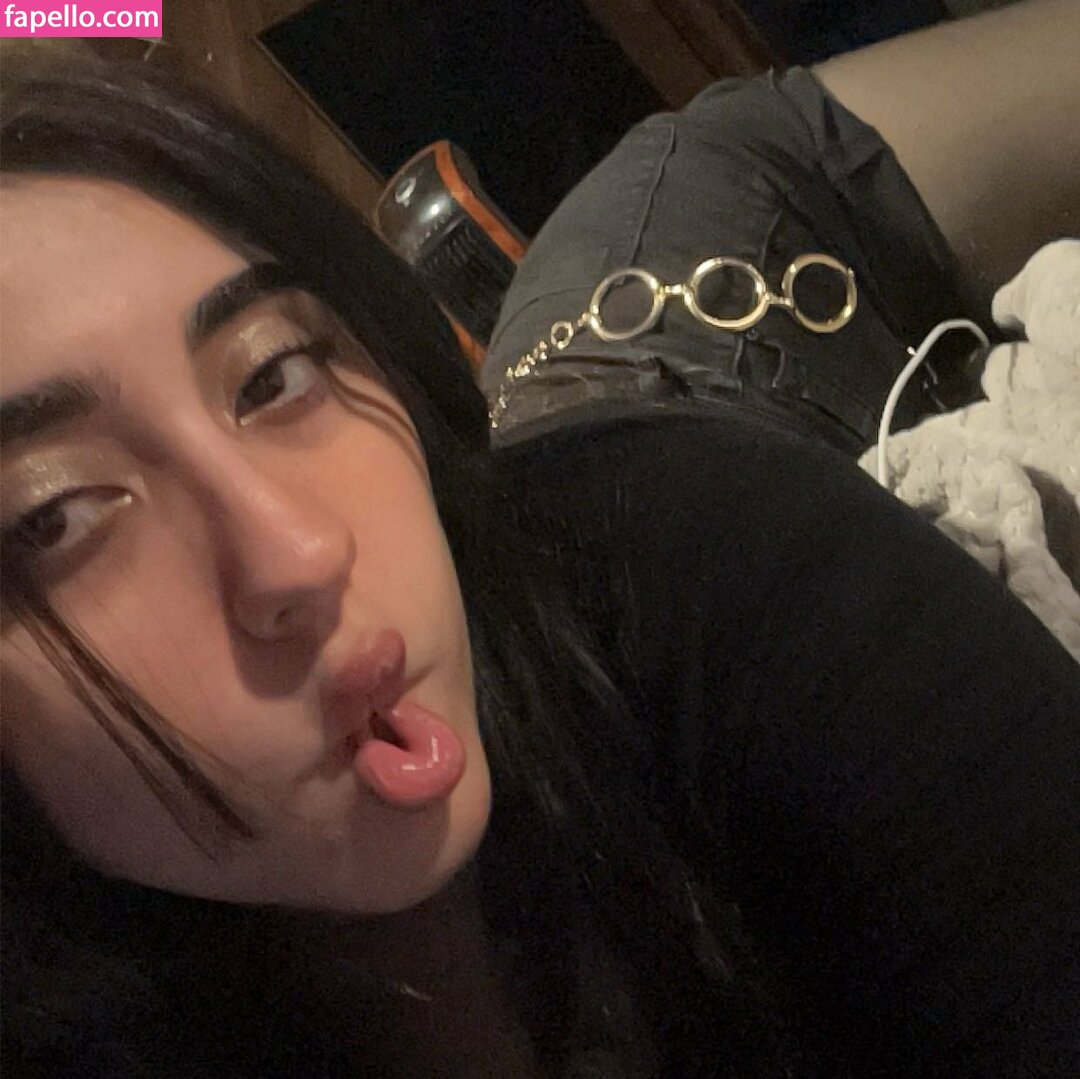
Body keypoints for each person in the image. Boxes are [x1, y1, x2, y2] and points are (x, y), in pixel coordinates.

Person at [1, 49, 1077, 1079]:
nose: (302, 552)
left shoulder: (727, 565)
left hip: (713, 266)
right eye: (53, 514)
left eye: (275, 373)